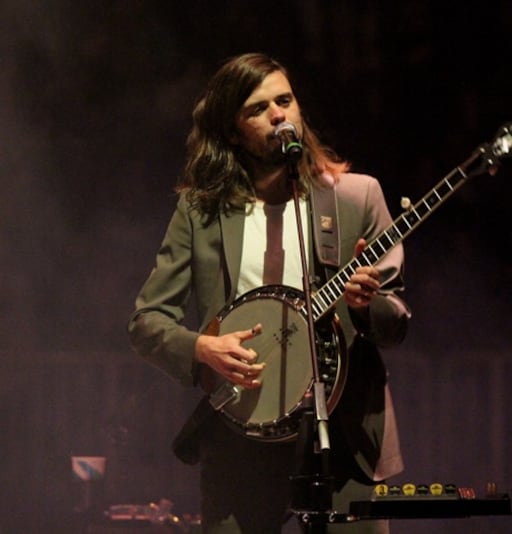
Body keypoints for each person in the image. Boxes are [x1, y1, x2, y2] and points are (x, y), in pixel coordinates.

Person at [127, 52, 411, 533]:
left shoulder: (355, 197)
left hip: (340, 436)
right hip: (242, 438)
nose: (279, 113)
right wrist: (201, 347)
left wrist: (365, 308)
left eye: (285, 99)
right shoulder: (201, 214)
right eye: (258, 108)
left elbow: (396, 319)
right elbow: (146, 322)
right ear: (233, 131)